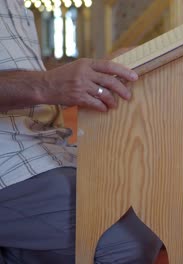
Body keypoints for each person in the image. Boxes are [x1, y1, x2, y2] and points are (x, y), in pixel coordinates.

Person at [0, 0, 165, 262]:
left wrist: (92, 74)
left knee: (166, 202)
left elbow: (19, 78)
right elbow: (38, 85)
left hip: (43, 143)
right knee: (131, 238)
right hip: (7, 164)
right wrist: (47, 84)